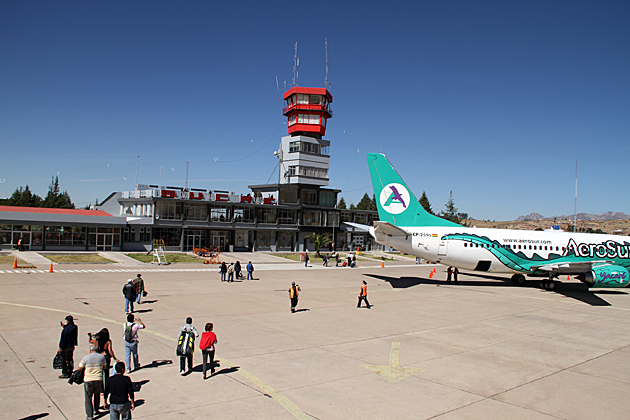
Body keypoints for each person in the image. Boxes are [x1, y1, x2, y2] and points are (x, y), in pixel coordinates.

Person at [78, 345, 106, 420]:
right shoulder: (102, 357)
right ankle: (96, 410)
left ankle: (90, 416)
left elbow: (79, 367)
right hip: (98, 379)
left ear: (90, 350)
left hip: (88, 380)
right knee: (97, 395)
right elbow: (105, 367)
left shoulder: (86, 357)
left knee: (88, 398)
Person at [88, 328, 119, 392]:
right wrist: (115, 358)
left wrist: (90, 336)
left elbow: (90, 341)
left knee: (100, 373)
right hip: (106, 356)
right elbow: (110, 351)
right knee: (106, 374)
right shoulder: (108, 341)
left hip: (99, 356)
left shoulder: (97, 340)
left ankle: (101, 390)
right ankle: (107, 388)